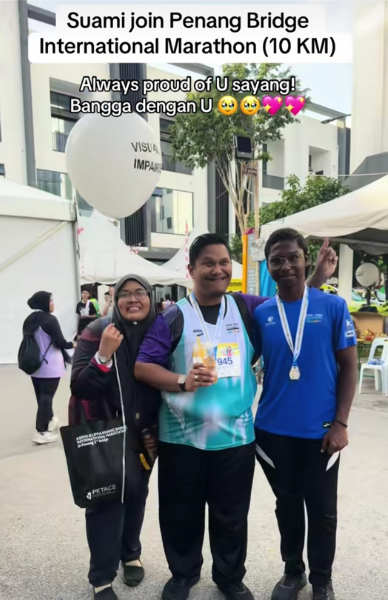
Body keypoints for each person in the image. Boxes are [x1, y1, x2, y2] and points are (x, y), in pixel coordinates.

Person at [134, 233, 337, 600]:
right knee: (182, 513)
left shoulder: (246, 308)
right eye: (208, 263)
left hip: (236, 437)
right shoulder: (173, 317)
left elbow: (291, 303)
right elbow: (143, 366)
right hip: (182, 438)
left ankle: (229, 577)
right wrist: (181, 380)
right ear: (191, 269)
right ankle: (183, 574)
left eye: (224, 262)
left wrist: (317, 278)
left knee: (231, 516)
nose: (218, 269)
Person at [253, 229, 356, 600]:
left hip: (321, 432)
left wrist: (341, 423)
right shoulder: (262, 313)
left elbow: (349, 367)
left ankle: (322, 580)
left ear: (305, 259)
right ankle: (292, 572)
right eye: (277, 259)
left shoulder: (333, 306)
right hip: (273, 432)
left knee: (323, 510)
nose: (286, 266)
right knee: (288, 507)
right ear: (269, 265)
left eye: (293, 257)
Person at [70, 275, 161, 600]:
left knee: (137, 494)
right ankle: (101, 576)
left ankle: (130, 552)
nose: (133, 299)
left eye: (140, 293)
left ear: (150, 297)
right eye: (124, 294)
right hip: (103, 434)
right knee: (105, 502)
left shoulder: (159, 329)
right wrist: (104, 355)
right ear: (115, 299)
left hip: (146, 434)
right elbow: (79, 385)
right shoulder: (98, 331)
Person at [23, 291, 74, 445]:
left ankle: (50, 419)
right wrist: (73, 344)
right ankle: (41, 431)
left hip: (35, 365)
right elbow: (60, 342)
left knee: (41, 397)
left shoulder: (29, 320)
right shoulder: (50, 320)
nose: (53, 304)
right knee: (47, 398)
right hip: (50, 365)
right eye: (51, 301)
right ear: (44, 303)